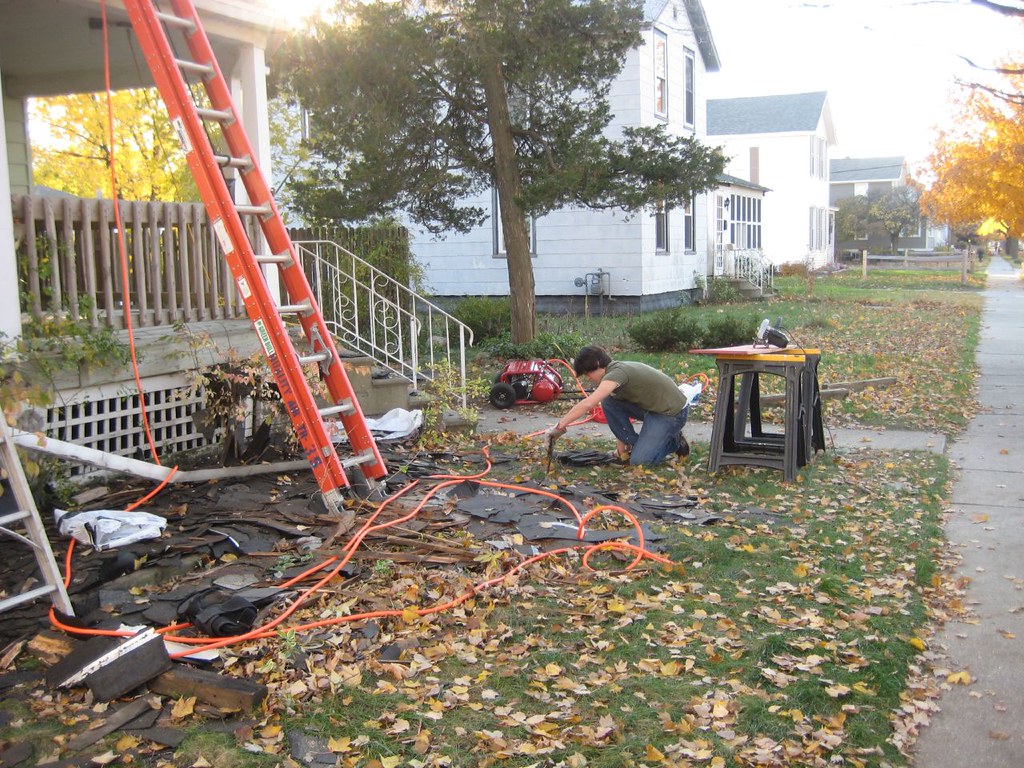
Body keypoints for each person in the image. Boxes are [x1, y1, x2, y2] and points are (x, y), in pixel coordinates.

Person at [547, 346, 689, 466]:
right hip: (654, 408)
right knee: (609, 402)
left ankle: (674, 441)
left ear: (597, 363)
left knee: (639, 461)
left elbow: (588, 403)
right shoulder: (613, 373)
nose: (588, 378)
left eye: (588, 373)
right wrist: (621, 448)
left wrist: (559, 427)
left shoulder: (617, 374)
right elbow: (617, 412)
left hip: (672, 413)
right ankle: (635, 445)